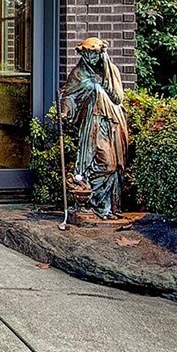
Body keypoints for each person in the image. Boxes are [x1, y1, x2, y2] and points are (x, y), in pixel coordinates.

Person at [60, 36, 129, 219]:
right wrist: (65, 112)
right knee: (104, 161)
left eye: (94, 54)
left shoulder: (111, 71)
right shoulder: (78, 73)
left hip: (112, 123)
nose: (90, 58)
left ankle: (106, 205)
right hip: (92, 124)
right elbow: (69, 95)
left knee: (113, 165)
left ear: (101, 53)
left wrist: (104, 82)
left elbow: (118, 98)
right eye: (86, 54)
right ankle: (88, 196)